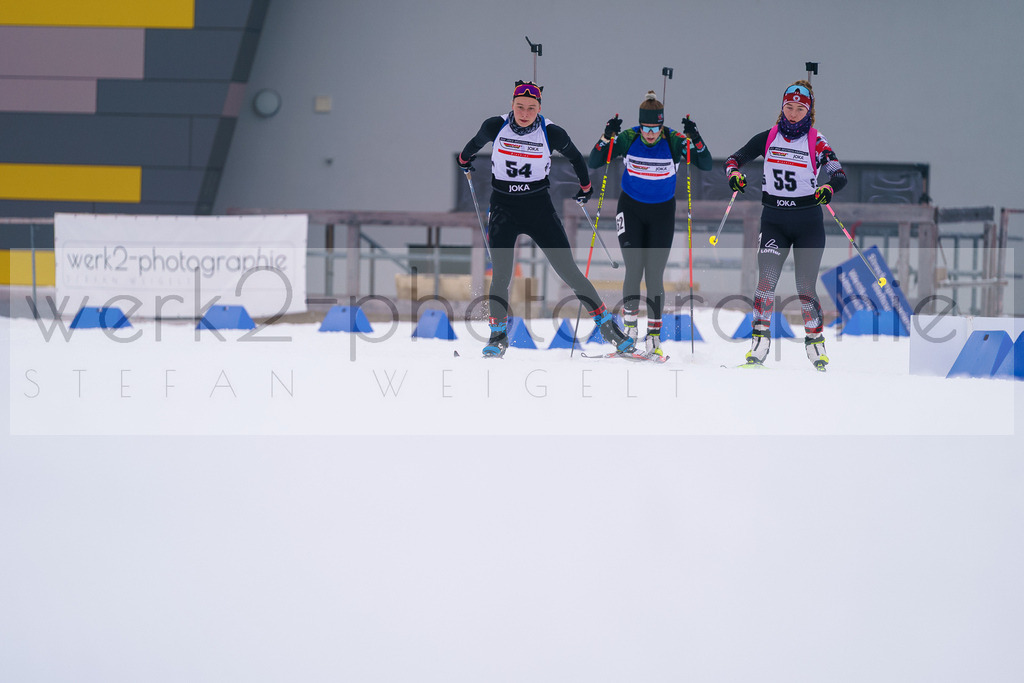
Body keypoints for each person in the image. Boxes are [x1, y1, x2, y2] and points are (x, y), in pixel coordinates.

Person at [457, 80, 635, 358]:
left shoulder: (550, 132)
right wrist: (465, 160)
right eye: (519, 107)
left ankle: (607, 329)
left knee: (568, 271)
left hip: (538, 206)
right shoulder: (495, 126)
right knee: (501, 274)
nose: (524, 113)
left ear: (539, 107)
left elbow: (576, 158)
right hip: (503, 207)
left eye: (531, 108)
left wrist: (585, 187)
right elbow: (470, 148)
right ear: (512, 105)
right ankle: (497, 336)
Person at [724, 80, 847, 370]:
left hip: (808, 223)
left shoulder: (816, 141)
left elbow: (839, 174)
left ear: (809, 112)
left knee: (805, 287)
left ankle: (816, 346)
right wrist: (734, 176)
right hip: (774, 221)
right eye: (788, 108)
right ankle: (759, 345)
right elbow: (733, 159)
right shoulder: (768, 138)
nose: (793, 114)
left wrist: (828, 188)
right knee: (765, 284)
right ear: (781, 108)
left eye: (799, 109)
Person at [589, 91, 712, 358]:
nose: (650, 134)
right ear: (640, 124)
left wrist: (696, 138)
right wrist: (606, 136)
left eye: (655, 128)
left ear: (661, 125)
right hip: (630, 209)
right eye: (646, 127)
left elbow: (705, 163)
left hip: (662, 213)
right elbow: (595, 160)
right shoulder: (629, 137)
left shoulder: (675, 140)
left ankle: (653, 338)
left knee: (654, 273)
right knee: (634, 268)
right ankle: (630, 333)